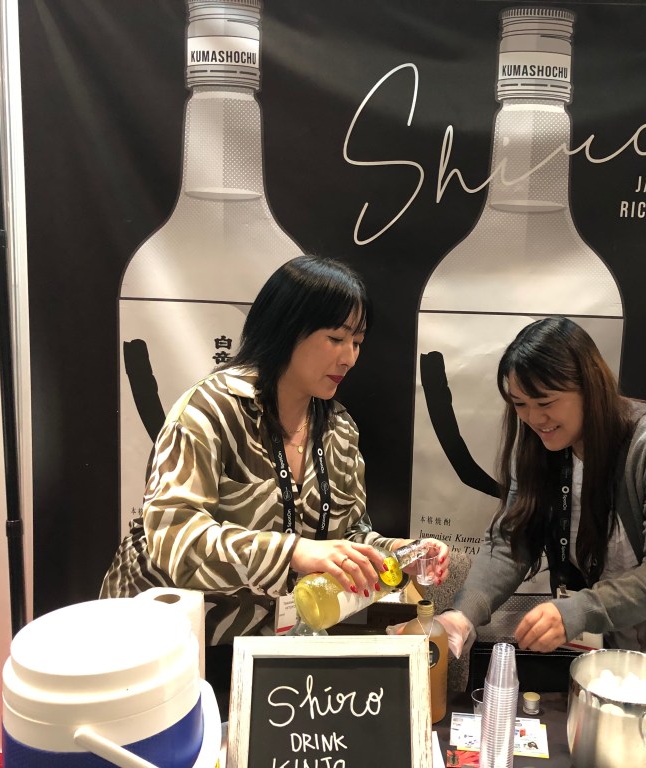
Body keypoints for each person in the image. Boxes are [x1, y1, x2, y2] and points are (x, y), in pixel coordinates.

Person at [101, 255, 450, 654]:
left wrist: (401, 554)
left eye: (357, 342)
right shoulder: (211, 409)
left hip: (269, 645)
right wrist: (293, 552)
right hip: (168, 640)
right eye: (336, 339)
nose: (350, 358)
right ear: (286, 327)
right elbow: (172, 536)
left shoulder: (338, 428)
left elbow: (348, 537)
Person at [436, 317, 646, 676]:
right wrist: (464, 614)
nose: (534, 418)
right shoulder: (542, 447)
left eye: (545, 402)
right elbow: (511, 540)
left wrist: (579, 611)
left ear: (590, 387)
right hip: (619, 658)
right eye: (519, 404)